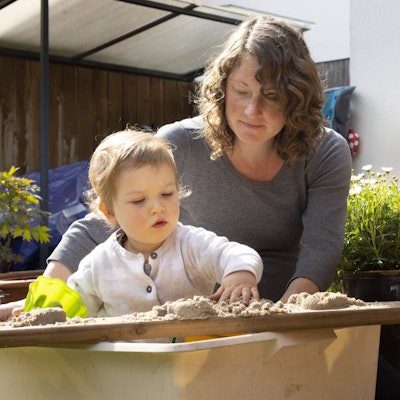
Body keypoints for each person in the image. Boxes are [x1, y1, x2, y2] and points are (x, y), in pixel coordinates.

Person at [0, 16, 351, 321]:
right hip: (195, 318)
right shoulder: (180, 143)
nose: (251, 111)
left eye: (271, 96)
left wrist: (286, 317)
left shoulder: (325, 151)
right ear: (223, 87)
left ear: (298, 97)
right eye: (241, 91)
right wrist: (44, 293)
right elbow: (104, 219)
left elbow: (321, 248)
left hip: (282, 309)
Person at [66, 129, 262, 317]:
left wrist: (240, 274)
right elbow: (72, 311)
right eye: (138, 201)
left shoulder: (191, 245)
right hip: (125, 351)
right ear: (109, 211)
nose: (157, 208)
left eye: (167, 194)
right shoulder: (98, 265)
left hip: (191, 350)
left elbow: (236, 254)